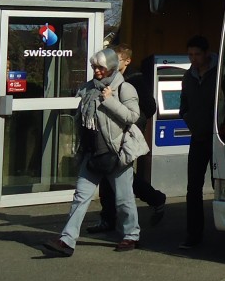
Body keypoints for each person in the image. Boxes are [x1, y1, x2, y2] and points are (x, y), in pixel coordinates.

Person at [42, 48, 142, 256]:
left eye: (101, 67)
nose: (96, 71)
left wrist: (110, 100)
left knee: (124, 199)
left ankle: (131, 235)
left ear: (112, 67)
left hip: (116, 153)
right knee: (80, 197)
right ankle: (66, 241)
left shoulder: (124, 88)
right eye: (94, 67)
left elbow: (132, 117)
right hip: (91, 153)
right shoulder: (88, 88)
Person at [90, 46, 168, 234]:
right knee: (110, 175)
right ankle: (108, 218)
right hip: (109, 134)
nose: (113, 63)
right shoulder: (109, 80)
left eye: (117, 60)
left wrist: (132, 123)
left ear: (127, 61)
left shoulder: (134, 80)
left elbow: (149, 106)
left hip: (126, 135)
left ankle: (154, 200)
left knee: (121, 175)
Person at [178, 35, 216, 251]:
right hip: (198, 137)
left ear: (206, 54)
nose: (193, 58)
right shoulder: (187, 77)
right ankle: (194, 233)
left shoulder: (219, 73)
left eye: (197, 54)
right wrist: (189, 119)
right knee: (193, 187)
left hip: (218, 137)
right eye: (190, 54)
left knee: (220, 183)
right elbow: (184, 104)